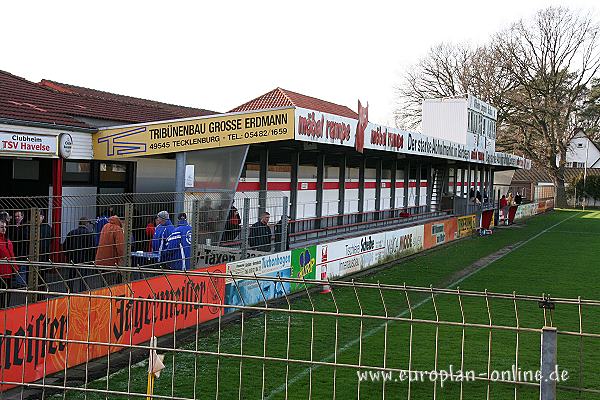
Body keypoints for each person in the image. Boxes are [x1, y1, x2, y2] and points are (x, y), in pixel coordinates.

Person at [95, 215, 125, 285]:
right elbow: (120, 247)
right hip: (111, 262)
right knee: (111, 284)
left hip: (101, 261)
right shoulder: (118, 229)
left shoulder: (105, 226)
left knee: (104, 283)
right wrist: (122, 258)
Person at [0, 220, 16, 308]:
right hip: (2, 273)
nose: (4, 229)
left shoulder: (7, 241)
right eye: (2, 227)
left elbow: (12, 255)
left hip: (8, 273)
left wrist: (15, 268)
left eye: (5, 227)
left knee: (7, 296)